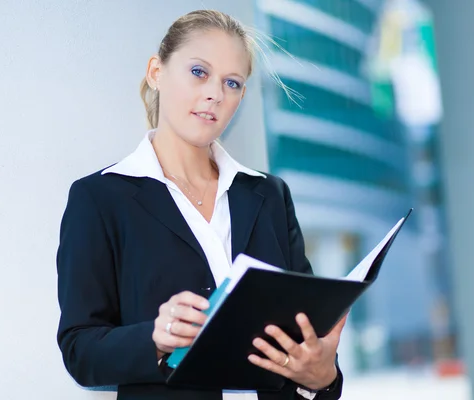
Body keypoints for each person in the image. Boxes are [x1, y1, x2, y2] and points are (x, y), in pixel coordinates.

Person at [56, 9, 346, 400]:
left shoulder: (270, 196)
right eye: (198, 72)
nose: (215, 94)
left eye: (232, 82)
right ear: (156, 73)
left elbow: (305, 339)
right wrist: (155, 338)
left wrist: (322, 377)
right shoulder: (101, 198)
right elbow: (80, 349)